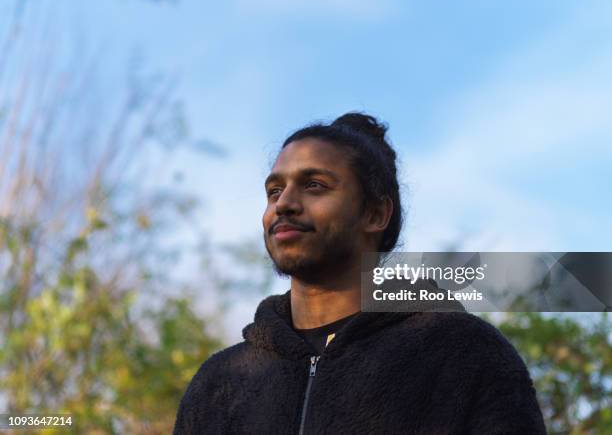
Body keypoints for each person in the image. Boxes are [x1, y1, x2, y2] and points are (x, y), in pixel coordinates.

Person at [173, 113, 546, 434]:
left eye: (314, 185)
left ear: (375, 214)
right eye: (274, 191)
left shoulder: (462, 353)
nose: (284, 204)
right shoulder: (220, 382)